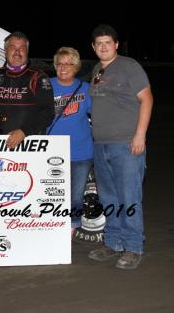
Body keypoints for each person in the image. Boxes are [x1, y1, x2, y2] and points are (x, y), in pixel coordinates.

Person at [87, 24, 153, 270]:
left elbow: (146, 98)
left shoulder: (129, 66)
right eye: (98, 44)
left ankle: (134, 246)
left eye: (108, 42)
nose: (103, 47)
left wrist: (140, 135)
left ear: (116, 45)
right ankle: (113, 242)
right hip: (101, 145)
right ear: (93, 48)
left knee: (129, 197)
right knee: (109, 197)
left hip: (126, 144)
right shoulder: (96, 70)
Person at [46, 47, 93, 237]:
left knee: (75, 197)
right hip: (50, 152)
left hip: (80, 152)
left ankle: (70, 232)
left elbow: (101, 115)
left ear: (77, 66)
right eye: (60, 63)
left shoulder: (86, 88)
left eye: (68, 63)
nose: (63, 67)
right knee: (50, 195)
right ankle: (48, 229)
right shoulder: (45, 86)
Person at [0, 31, 54, 149]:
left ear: (27, 51)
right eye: (13, 47)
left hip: (29, 144)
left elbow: (48, 113)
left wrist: (24, 132)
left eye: (22, 48)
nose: (17, 52)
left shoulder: (38, 77)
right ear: (5, 51)